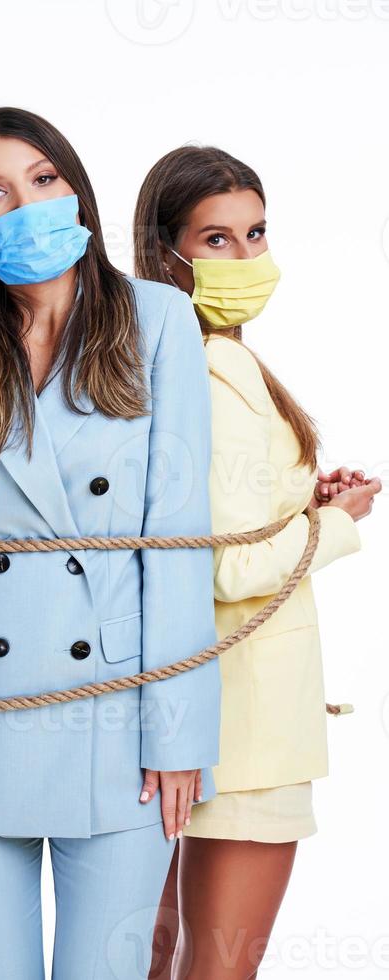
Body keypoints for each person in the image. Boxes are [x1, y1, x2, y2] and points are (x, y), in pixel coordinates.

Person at [0, 106, 222, 980]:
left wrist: (178, 732)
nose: (27, 203)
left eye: (44, 178)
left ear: (77, 192)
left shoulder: (159, 321)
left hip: (118, 720)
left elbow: (177, 542)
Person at [134, 144, 381, 980]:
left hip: (206, 723)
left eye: (256, 233)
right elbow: (224, 569)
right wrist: (340, 524)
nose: (247, 258)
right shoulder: (213, 368)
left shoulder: (189, 361)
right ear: (166, 255)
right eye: (217, 240)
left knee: (166, 958)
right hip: (246, 734)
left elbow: (217, 528)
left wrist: (302, 503)